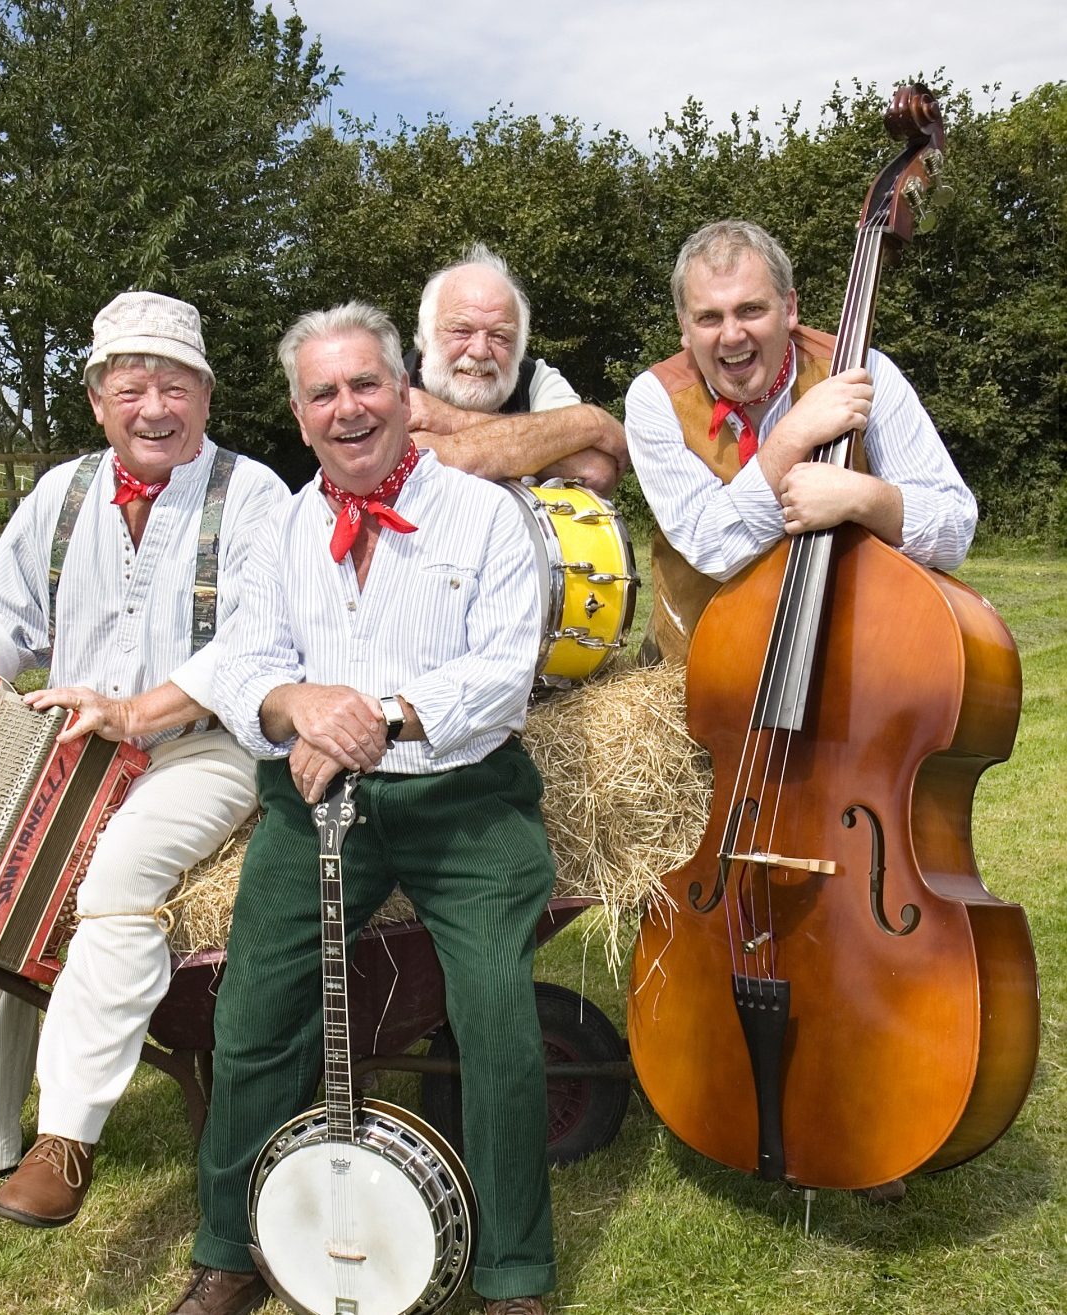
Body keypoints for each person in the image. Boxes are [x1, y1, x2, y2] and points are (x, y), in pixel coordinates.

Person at [91, 301, 555, 1315]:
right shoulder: (283, 531)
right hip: (315, 801)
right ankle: (231, 1248)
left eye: (365, 385)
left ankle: (514, 1270)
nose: (347, 410)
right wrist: (299, 704)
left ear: (403, 394)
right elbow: (248, 661)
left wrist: (377, 716)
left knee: (495, 1017)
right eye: (322, 393)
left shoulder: (488, 515)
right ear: (299, 418)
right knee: (255, 1011)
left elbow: (502, 675)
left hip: (464, 799)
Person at [0, 291, 287, 1229]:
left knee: (116, 876)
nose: (155, 408)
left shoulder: (254, 495)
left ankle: (67, 1137)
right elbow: (5, 616)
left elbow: (257, 646)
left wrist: (135, 711)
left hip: (204, 742)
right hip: (73, 733)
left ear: (207, 397)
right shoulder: (60, 492)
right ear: (98, 400)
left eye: (174, 385)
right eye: (132, 386)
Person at [625, 218, 977, 665]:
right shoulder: (654, 397)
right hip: (697, 675)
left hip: (841, 672)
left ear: (789, 308)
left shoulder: (864, 372)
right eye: (709, 317)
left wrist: (864, 498)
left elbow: (955, 531)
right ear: (684, 327)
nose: (731, 335)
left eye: (751, 310)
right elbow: (709, 545)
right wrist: (792, 435)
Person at [406, 243, 628, 496]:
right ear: (425, 337)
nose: (480, 351)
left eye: (500, 336)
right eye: (461, 330)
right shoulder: (384, 384)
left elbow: (597, 470)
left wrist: (451, 423)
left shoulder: (537, 380)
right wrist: (588, 424)